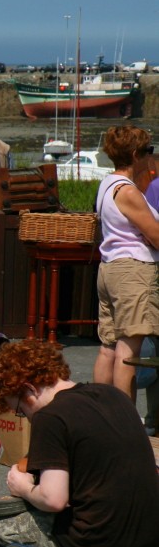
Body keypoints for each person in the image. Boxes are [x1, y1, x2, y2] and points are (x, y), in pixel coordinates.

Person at [0, 338, 159, 547]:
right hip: (150, 534)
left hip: (97, 540)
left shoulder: (50, 416)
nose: (26, 418)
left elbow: (54, 500)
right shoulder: (114, 395)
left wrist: (22, 487)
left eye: (20, 410)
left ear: (29, 389)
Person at [91, 125, 159, 402]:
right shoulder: (128, 192)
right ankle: (125, 420)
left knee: (108, 346)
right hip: (133, 271)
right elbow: (155, 236)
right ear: (135, 155)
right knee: (128, 349)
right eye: (148, 151)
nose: (150, 157)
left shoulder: (106, 185)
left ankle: (103, 413)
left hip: (110, 268)